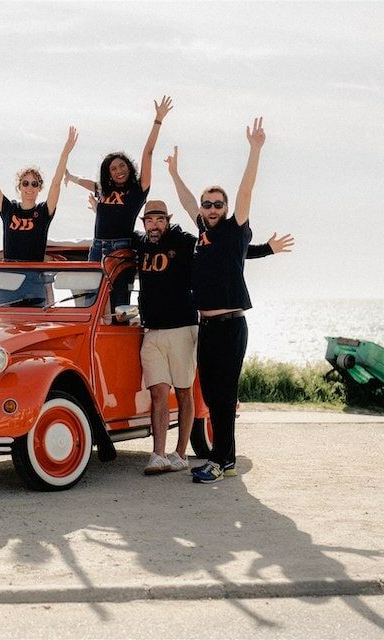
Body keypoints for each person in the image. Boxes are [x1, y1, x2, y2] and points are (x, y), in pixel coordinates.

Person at [134, 199, 291, 476]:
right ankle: (158, 455)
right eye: (150, 220)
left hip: (183, 326)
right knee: (158, 392)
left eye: (160, 219)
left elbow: (226, 252)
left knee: (185, 391)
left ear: (167, 220)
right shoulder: (141, 245)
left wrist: (267, 249)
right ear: (144, 223)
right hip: (151, 330)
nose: (155, 225)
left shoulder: (183, 241)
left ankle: (181, 454)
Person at [165, 116, 267, 484]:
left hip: (230, 326)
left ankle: (223, 462)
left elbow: (245, 191)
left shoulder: (233, 231)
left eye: (216, 204)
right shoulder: (202, 233)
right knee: (210, 395)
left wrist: (254, 150)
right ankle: (222, 460)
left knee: (224, 397)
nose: (210, 208)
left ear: (225, 208)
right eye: (208, 204)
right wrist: (175, 173)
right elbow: (187, 198)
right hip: (206, 326)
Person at [66, 96, 172, 310]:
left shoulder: (137, 190)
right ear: (109, 174)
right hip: (97, 248)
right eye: (113, 169)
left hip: (120, 248)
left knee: (118, 303)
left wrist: (158, 120)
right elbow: (90, 184)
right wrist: (72, 178)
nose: (119, 171)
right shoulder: (104, 189)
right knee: (90, 302)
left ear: (129, 167)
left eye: (122, 166)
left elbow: (148, 152)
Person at [0, 121, 78, 305]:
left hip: (34, 280)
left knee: (34, 331)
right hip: (7, 281)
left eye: (34, 183)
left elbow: (56, 183)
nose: (29, 187)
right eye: (25, 183)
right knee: (3, 331)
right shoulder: (9, 209)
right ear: (19, 186)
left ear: (39, 188)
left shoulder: (43, 212)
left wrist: (66, 152)